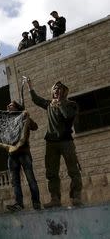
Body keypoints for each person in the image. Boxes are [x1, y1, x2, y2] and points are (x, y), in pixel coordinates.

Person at [27, 78, 82, 208]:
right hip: (51, 143)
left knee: (73, 170)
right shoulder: (48, 105)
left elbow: (67, 116)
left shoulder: (71, 104)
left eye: (60, 89)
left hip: (66, 142)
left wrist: (60, 103)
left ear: (64, 92)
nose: (57, 90)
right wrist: (30, 87)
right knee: (51, 172)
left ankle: (76, 196)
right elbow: (36, 99)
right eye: (55, 89)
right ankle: (55, 198)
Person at [5, 101, 41, 212]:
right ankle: (19, 204)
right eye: (8, 106)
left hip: (24, 153)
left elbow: (35, 127)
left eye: (11, 106)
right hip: (12, 155)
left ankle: (36, 203)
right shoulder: (8, 121)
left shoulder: (24, 118)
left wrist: (27, 116)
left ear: (17, 108)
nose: (8, 107)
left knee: (31, 179)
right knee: (15, 182)